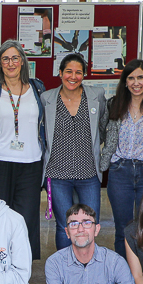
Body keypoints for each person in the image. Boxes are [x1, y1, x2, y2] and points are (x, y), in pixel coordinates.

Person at [0, 40, 46, 258]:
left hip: (31, 163)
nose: (10, 63)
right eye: (5, 59)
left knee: (26, 217)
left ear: (22, 61)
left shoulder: (37, 88)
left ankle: (22, 262)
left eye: (15, 58)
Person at [42, 53, 107, 250]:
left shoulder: (96, 96)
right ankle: (65, 267)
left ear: (84, 75)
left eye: (78, 72)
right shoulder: (47, 98)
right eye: (68, 71)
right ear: (60, 73)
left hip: (88, 173)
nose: (73, 76)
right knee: (65, 225)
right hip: (57, 174)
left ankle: (87, 265)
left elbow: (102, 127)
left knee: (89, 225)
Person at [101, 59, 143, 256]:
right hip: (120, 171)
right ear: (125, 82)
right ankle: (123, 270)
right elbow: (102, 133)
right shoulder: (113, 105)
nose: (136, 83)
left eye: (140, 77)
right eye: (131, 78)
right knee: (123, 227)